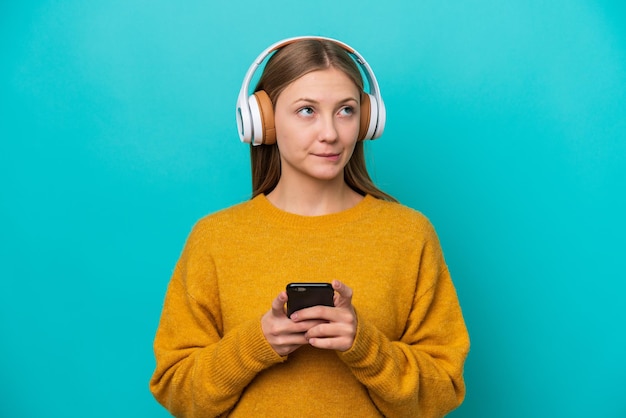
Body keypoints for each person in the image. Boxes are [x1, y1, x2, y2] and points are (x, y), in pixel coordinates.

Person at [149, 36, 469, 417]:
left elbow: (443, 390)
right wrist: (256, 343)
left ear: (367, 120)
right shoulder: (214, 238)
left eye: (346, 110)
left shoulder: (409, 234)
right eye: (306, 111)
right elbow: (176, 391)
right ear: (263, 121)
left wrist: (364, 345)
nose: (330, 133)